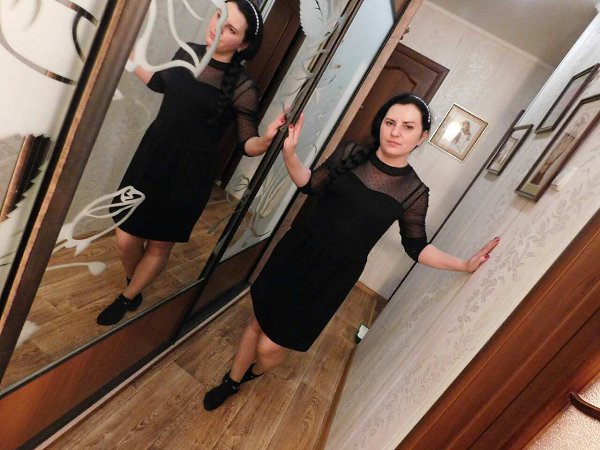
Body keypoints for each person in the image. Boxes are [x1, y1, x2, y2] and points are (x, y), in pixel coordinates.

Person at [202, 93, 500, 410]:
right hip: (298, 251)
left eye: (407, 126)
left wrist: (463, 265)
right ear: (380, 124)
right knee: (258, 321)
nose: (395, 132)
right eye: (390, 122)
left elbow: (417, 246)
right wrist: (289, 153)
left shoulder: (414, 192)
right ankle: (232, 381)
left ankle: (255, 371)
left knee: (271, 347)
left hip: (332, 276)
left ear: (421, 136)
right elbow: (309, 184)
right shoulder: (351, 153)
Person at [97, 0, 285, 326]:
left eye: (230, 29)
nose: (217, 27)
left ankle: (128, 296)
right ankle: (135, 279)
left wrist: (266, 140)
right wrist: (130, 57)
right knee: (125, 235)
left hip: (189, 174)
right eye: (219, 15)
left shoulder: (243, 87)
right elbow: (160, 83)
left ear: (243, 45)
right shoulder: (187, 52)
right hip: (152, 156)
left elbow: (247, 142)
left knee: (159, 244)